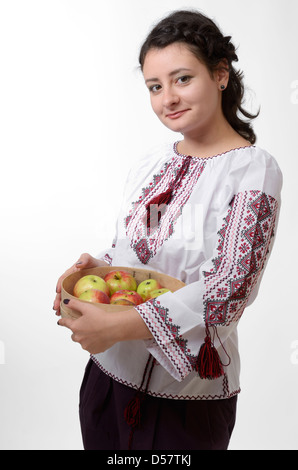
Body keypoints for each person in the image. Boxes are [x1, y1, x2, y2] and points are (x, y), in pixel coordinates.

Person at [54, 9, 282, 450]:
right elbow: (137, 257)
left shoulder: (253, 170)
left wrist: (121, 325)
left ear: (220, 75)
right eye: (155, 87)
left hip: (185, 397)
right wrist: (95, 271)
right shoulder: (150, 163)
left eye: (181, 79)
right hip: (107, 376)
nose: (167, 99)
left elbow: (229, 291)